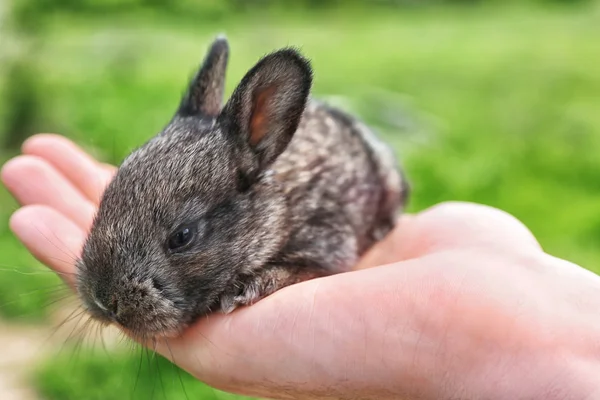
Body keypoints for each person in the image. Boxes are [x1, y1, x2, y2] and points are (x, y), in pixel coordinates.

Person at [2, 133, 600, 400]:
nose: (109, 299)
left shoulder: (301, 208)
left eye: (182, 238)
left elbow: (330, 244)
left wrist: (283, 276)